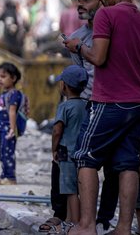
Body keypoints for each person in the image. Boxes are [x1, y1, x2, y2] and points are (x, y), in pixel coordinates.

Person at [64, 0, 140, 235]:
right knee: (128, 163)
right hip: (139, 102)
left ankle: (86, 226)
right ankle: (124, 229)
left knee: (85, 157)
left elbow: (98, 56)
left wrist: (77, 45)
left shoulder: (107, 16)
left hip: (110, 101)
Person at [51, 65, 89, 230]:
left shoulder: (64, 107)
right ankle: (69, 218)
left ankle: (74, 222)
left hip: (65, 152)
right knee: (79, 186)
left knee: (69, 189)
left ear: (64, 86)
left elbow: (57, 130)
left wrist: (54, 148)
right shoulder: (87, 105)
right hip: (83, 151)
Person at [0, 62, 25, 185]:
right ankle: (4, 175)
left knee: (8, 152)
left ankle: (11, 177)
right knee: (2, 151)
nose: (0, 79)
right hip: (3, 128)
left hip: (8, 129)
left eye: (3, 76)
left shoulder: (14, 94)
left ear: (14, 78)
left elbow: (12, 112)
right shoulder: (5, 93)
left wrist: (12, 129)